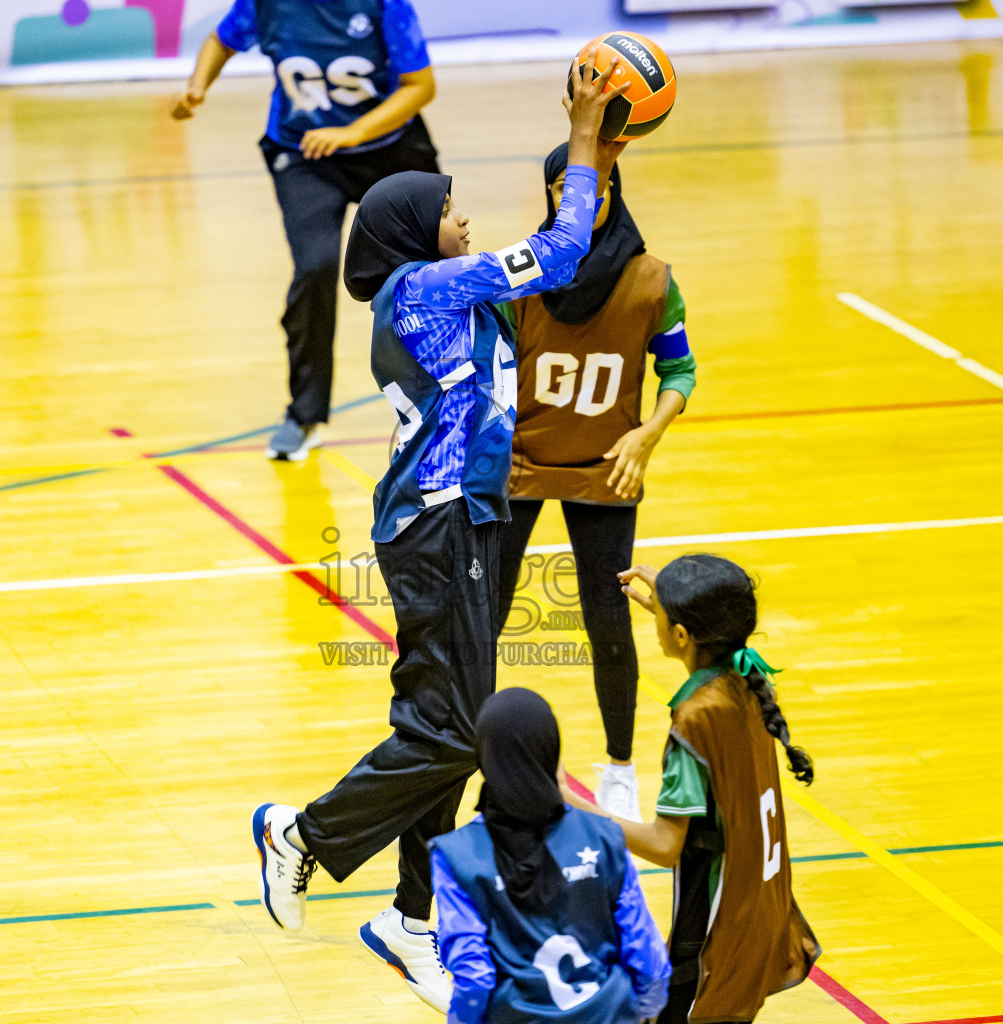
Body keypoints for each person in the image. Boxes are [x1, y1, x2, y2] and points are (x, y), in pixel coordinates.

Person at [249, 54, 626, 1012]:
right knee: (457, 734)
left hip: (464, 522)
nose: (464, 219)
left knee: (441, 727)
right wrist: (580, 139)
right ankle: (303, 834)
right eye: (452, 207)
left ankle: (415, 921)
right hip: (438, 526)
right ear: (416, 230)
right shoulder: (422, 288)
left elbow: (568, 252)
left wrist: (599, 159)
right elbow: (559, 252)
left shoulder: (442, 296)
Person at [495, 143, 697, 824]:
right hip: (519, 461)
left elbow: (681, 373)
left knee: (609, 622)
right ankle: (473, 761)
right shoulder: (520, 272)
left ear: (612, 190)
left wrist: (648, 433)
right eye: (565, 188)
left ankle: (618, 769)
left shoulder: (651, 279)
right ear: (553, 195)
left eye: (594, 187)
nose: (581, 199)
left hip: (606, 463)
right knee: (484, 615)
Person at [170, 0, 440, 461]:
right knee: (314, 269)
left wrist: (352, 132)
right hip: (304, 154)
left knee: (433, 273)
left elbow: (420, 87)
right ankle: (304, 415)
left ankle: (456, 399)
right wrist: (197, 86)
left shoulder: (383, 5)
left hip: (390, 148)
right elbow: (220, 40)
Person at [561, 554, 822, 1023]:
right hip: (764, 916)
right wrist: (678, 599)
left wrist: (573, 807)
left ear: (681, 635)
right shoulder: (748, 678)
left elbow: (664, 845)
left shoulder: (695, 720)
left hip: (716, 938)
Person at [430, 687, 672, 1024]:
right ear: (551, 750)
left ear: (483, 755)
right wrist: (640, 1014)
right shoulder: (605, 836)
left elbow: (474, 979)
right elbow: (650, 961)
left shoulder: (456, 855)